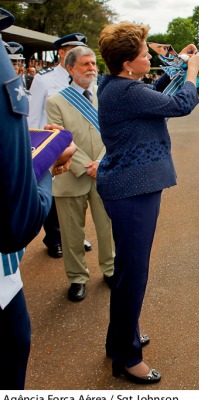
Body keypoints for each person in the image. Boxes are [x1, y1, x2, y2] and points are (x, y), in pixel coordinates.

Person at [97, 21, 199, 384]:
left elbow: (154, 95)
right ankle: (127, 358)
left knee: (128, 271)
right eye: (145, 55)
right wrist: (191, 70)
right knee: (134, 275)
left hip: (128, 188)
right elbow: (180, 105)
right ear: (128, 64)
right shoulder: (126, 92)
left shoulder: (117, 84)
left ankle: (119, 339)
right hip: (132, 191)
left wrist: (174, 67)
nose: (150, 58)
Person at [0, 8, 76, 389]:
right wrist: (42, 163)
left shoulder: (80, 80)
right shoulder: (42, 79)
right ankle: (56, 237)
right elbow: (16, 221)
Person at [46, 46, 115, 302]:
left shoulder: (105, 95)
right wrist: (88, 165)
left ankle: (110, 269)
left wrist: (100, 162)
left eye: (93, 64)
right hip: (70, 176)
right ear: (70, 68)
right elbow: (59, 141)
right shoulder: (56, 101)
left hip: (103, 172)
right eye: (85, 64)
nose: (91, 69)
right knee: (72, 233)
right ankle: (77, 278)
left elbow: (113, 134)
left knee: (107, 226)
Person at [28, 32, 92, 259]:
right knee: (56, 197)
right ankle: (54, 238)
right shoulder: (44, 79)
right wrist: (37, 153)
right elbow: (33, 117)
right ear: (62, 54)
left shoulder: (86, 78)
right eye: (74, 52)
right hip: (54, 150)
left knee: (79, 198)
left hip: (83, 147)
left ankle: (76, 236)